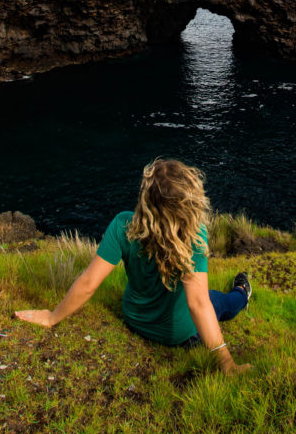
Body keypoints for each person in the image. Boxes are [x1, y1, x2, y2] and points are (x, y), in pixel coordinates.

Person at [15, 158, 253, 375]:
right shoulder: (194, 235)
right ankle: (242, 294)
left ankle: (238, 295)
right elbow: (198, 303)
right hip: (179, 335)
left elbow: (88, 283)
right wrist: (226, 362)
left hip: (135, 320)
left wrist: (52, 317)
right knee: (219, 302)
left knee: (209, 299)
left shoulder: (123, 225)